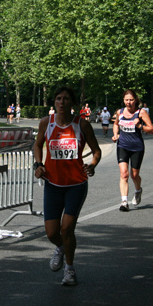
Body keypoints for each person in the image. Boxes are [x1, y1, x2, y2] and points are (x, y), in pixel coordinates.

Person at [33, 87, 101, 286]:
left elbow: (96, 151)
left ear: (73, 104)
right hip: (53, 184)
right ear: (54, 102)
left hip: (76, 184)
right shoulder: (46, 123)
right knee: (52, 233)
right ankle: (61, 248)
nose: (61, 102)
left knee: (67, 228)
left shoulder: (82, 125)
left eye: (66, 99)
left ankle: (69, 269)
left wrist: (93, 165)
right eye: (58, 99)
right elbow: (37, 145)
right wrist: (38, 165)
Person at [112, 89, 153, 211]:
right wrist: (116, 134)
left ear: (135, 100)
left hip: (137, 147)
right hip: (122, 146)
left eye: (131, 100)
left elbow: (151, 130)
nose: (128, 102)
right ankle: (124, 201)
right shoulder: (120, 112)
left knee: (134, 175)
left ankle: (138, 190)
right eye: (126, 100)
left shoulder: (141, 113)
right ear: (123, 100)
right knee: (124, 174)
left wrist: (140, 126)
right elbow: (116, 124)